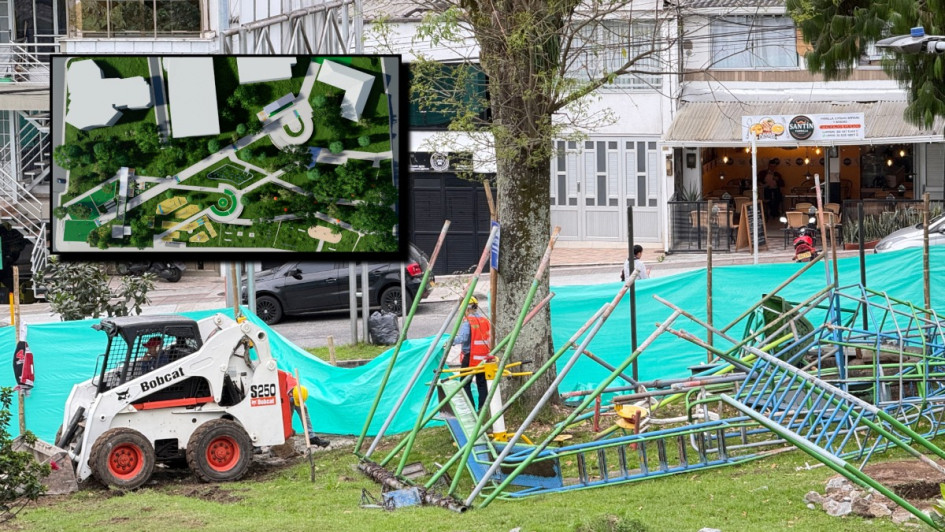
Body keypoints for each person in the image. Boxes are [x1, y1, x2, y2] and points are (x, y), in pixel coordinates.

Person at [454, 296, 493, 412]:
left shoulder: (468, 322)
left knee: (465, 384)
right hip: (483, 357)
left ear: (466, 309)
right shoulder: (485, 321)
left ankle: (470, 410)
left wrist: (449, 342)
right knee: (482, 384)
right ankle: (483, 411)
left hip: (470, 357)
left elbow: (463, 338)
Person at [285, 373, 329, 447]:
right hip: (284, 396)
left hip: (294, 394)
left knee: (304, 412)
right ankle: (285, 434)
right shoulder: (283, 387)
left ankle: (311, 437)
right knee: (287, 416)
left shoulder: (297, 386)